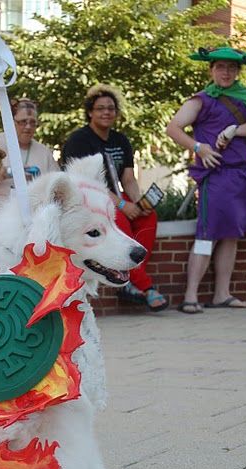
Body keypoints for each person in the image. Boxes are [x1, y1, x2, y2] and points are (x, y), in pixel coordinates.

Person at [166, 46, 246, 314]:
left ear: (237, 72)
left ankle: (221, 295)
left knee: (231, 235)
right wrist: (198, 147)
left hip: (242, 174)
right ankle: (190, 296)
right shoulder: (201, 100)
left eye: (231, 68)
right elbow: (173, 128)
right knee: (207, 234)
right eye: (220, 67)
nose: (226, 72)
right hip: (216, 176)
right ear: (211, 70)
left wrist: (235, 129)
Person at [61, 84, 168, 311]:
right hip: (96, 205)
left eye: (111, 108)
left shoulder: (121, 140)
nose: (106, 112)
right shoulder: (79, 140)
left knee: (148, 218)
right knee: (118, 218)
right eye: (100, 108)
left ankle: (129, 275)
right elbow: (86, 183)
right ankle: (145, 287)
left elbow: (128, 179)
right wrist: (122, 204)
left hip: (121, 200)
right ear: (90, 112)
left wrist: (140, 203)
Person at [0, 98, 59, 232]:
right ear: (11, 122)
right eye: (22, 122)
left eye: (33, 122)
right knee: (12, 229)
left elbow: (56, 184)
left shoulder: (44, 152)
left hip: (32, 213)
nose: (28, 127)